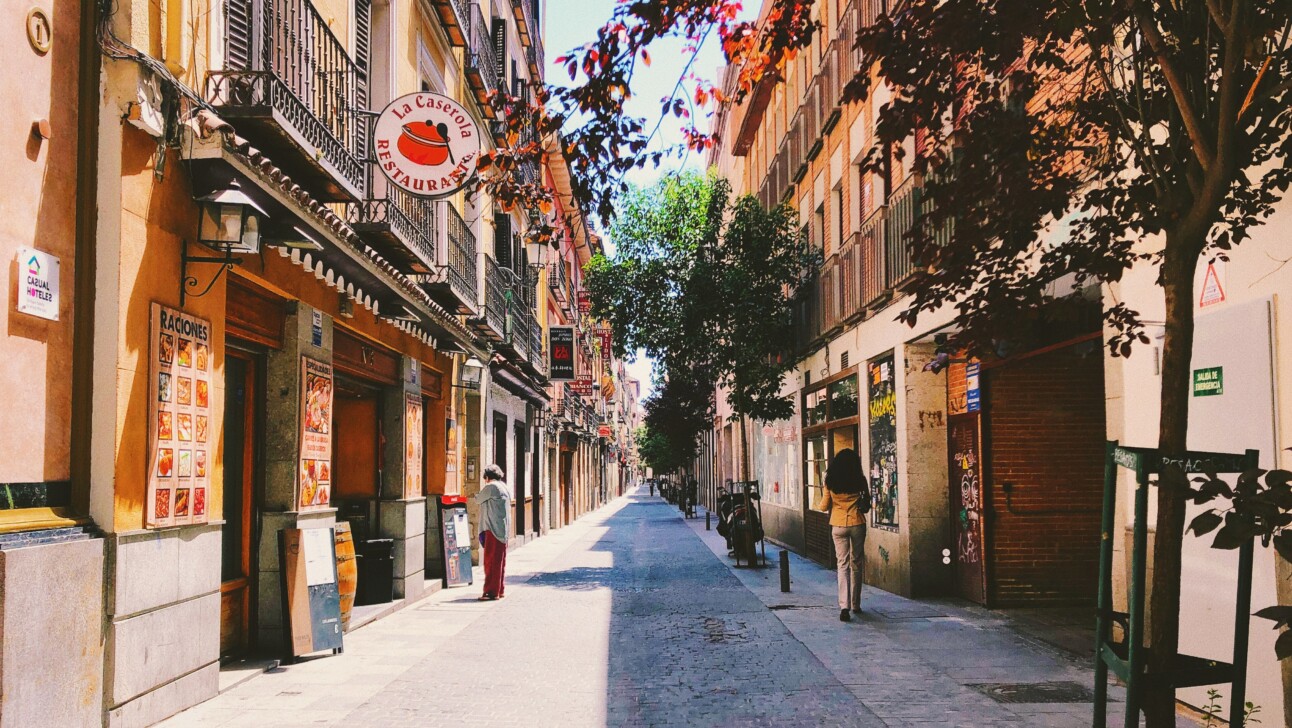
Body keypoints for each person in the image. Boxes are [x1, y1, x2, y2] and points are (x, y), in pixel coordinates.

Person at [816, 448, 870, 622]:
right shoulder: (860, 480)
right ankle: (856, 604)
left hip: (838, 524)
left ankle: (844, 606)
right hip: (857, 523)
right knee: (857, 562)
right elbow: (867, 502)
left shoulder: (830, 480)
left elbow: (824, 506)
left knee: (842, 564)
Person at [476, 464, 512, 601]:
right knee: (500, 561)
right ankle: (500, 589)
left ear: (487, 476)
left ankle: (491, 592)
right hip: (503, 529)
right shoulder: (504, 487)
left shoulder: (491, 487)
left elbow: (478, 499)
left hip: (492, 529)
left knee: (491, 561)